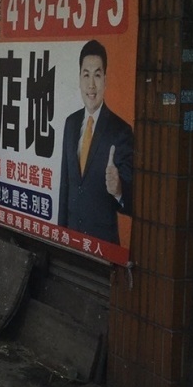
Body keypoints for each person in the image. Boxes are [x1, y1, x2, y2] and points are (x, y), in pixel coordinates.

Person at [57, 39, 134, 245]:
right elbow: (65, 186)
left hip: (103, 244)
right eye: (86, 75)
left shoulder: (121, 131)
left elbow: (133, 203)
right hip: (71, 240)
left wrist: (119, 189)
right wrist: (59, 237)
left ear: (105, 80)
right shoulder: (71, 123)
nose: (91, 85)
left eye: (97, 75)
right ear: (79, 79)